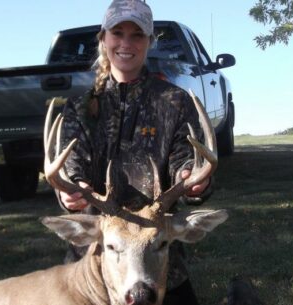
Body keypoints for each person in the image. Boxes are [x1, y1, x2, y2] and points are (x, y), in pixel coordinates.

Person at [57, 0, 213, 304]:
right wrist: (71, 191)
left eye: (137, 35)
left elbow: (187, 157)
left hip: (156, 255)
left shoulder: (174, 102)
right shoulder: (78, 108)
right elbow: (69, 166)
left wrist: (191, 179)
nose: (126, 43)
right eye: (118, 32)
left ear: (149, 42)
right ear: (103, 39)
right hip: (95, 261)